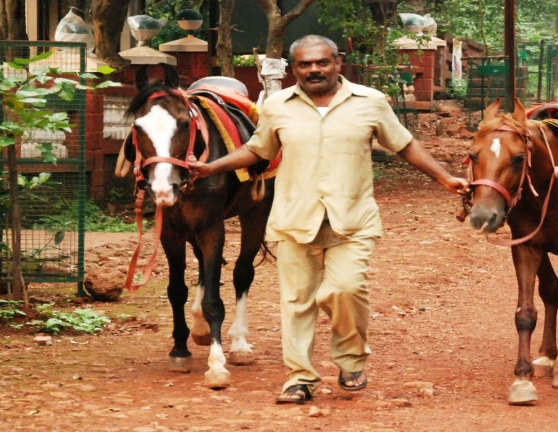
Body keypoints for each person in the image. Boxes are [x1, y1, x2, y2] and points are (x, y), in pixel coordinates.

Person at [188, 35, 469, 405]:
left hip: (351, 219)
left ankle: (351, 359)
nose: (314, 70)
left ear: (337, 62)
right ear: (294, 69)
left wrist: (445, 178)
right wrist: (211, 167)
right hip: (295, 218)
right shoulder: (278, 106)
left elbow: (404, 144)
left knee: (346, 289)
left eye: (322, 62)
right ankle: (299, 378)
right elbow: (257, 150)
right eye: (305, 64)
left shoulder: (369, 102)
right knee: (297, 301)